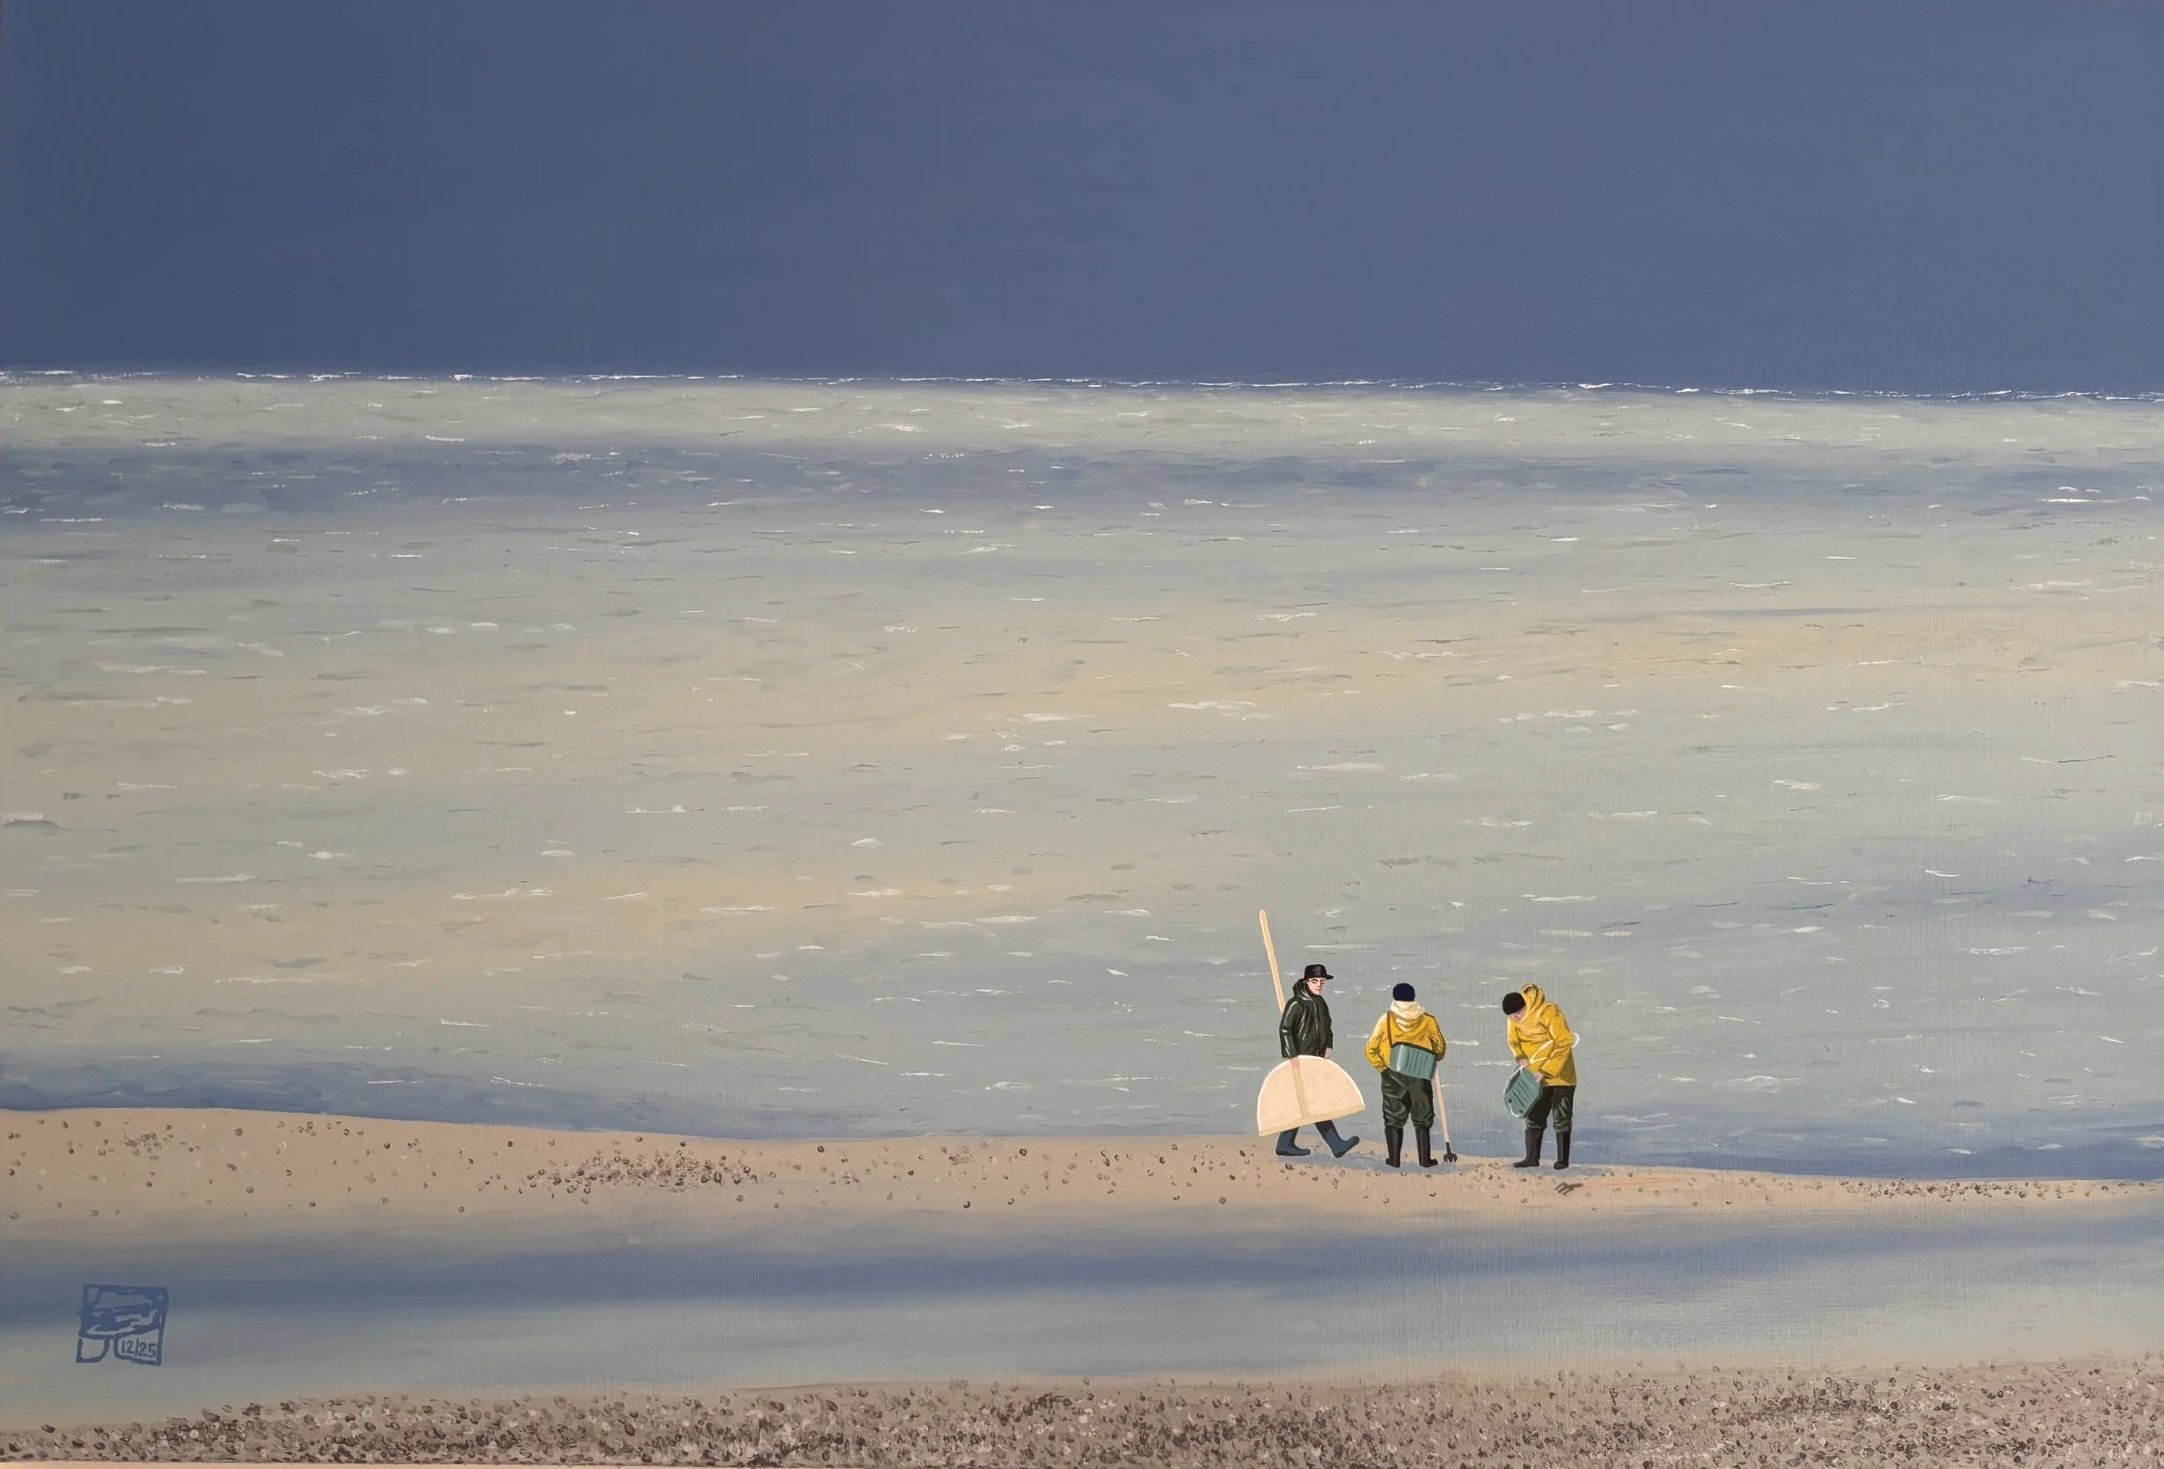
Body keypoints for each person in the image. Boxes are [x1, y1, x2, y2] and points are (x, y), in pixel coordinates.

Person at [1364, 982, 1454, 1168]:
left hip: (1393, 1075)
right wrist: (1431, 1058)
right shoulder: (1428, 1020)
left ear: (1395, 998)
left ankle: (1394, 1160)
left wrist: (1382, 1068)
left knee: (1393, 1117)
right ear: (1414, 998)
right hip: (1420, 1075)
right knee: (1422, 1118)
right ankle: (1424, 1160)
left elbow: (1371, 1049)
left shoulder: (1386, 1020)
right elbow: (1440, 1048)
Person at [1276, 964, 1360, 1158]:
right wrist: (1292, 1057)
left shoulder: (1320, 1003)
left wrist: (1328, 1045)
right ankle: (1335, 1144)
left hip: (1315, 1060)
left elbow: (1327, 1027)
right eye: (1315, 981)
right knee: (1312, 1102)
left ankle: (1286, 1143)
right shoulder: (1296, 1004)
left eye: (1322, 982)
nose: (1319, 985)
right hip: (1300, 1060)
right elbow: (1285, 1030)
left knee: (1308, 1102)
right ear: (1306, 982)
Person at [1502, 984, 1577, 1169]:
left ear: (1525, 1007)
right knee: (1534, 1116)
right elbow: (1513, 1040)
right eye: (1510, 1016)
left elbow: (1564, 1042)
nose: (1514, 1019)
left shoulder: (1549, 1012)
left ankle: (1562, 1160)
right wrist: (1520, 1057)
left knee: (1561, 1116)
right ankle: (1531, 1158)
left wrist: (1546, 1070)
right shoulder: (1513, 1019)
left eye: (1517, 1014)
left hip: (1560, 1075)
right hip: (1533, 1077)